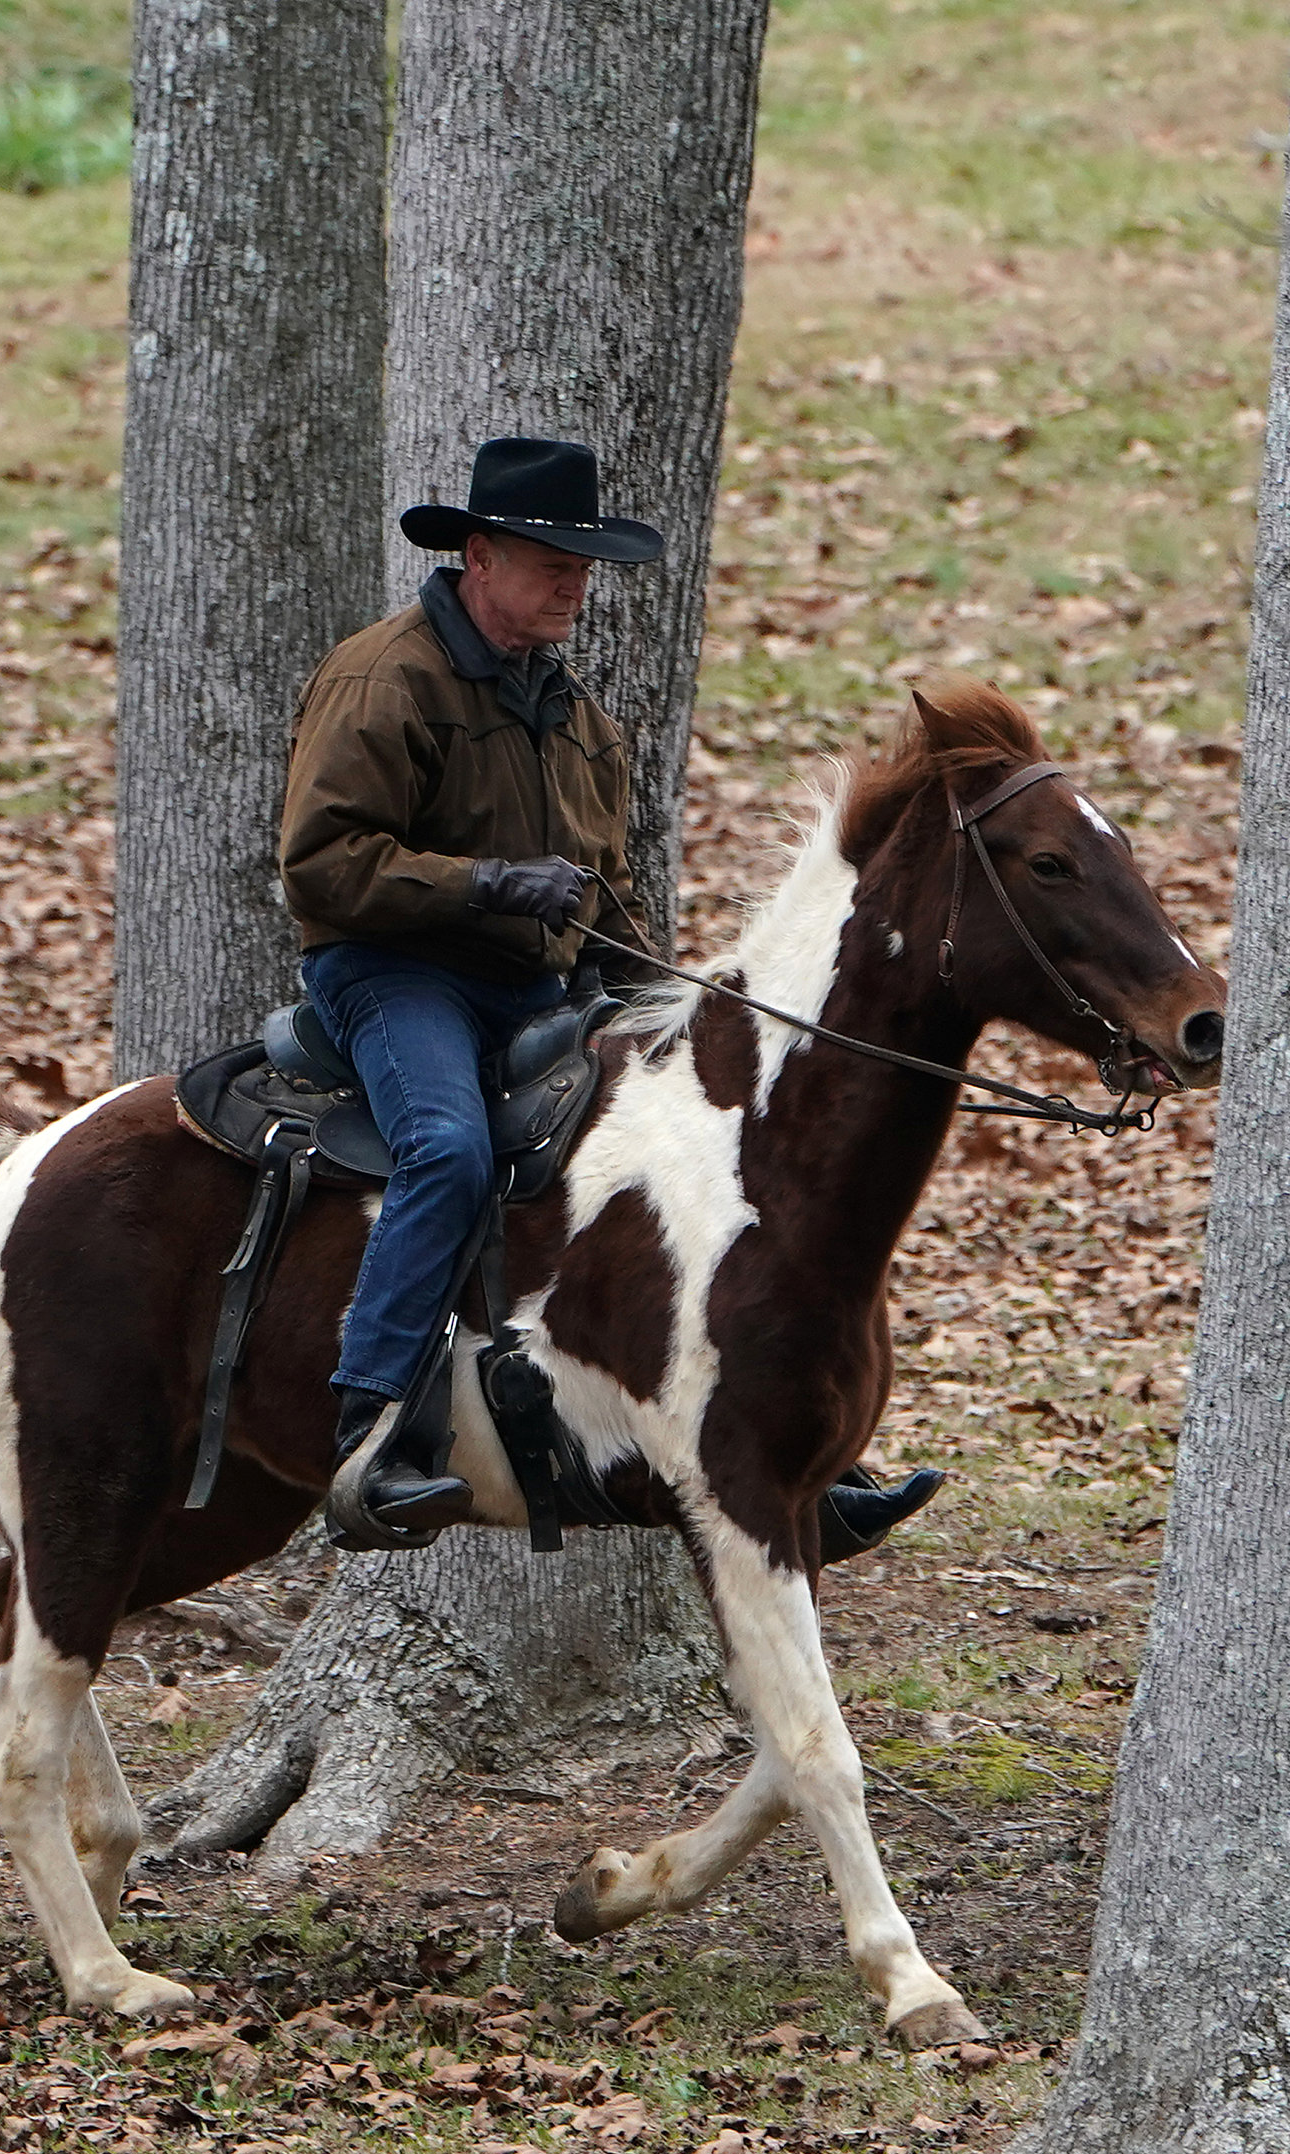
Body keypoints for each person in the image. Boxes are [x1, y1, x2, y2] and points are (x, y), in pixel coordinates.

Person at [278, 435, 940, 1553]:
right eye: (551, 561)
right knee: (444, 1145)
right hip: (395, 978)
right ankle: (374, 1429)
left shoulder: (579, 720)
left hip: (532, 989)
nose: (573, 585)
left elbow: (609, 899)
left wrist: (681, 998)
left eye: (583, 567)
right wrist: (486, 883)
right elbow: (320, 863)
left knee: (686, 1159)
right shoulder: (378, 678)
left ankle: (782, 1449)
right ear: (479, 556)